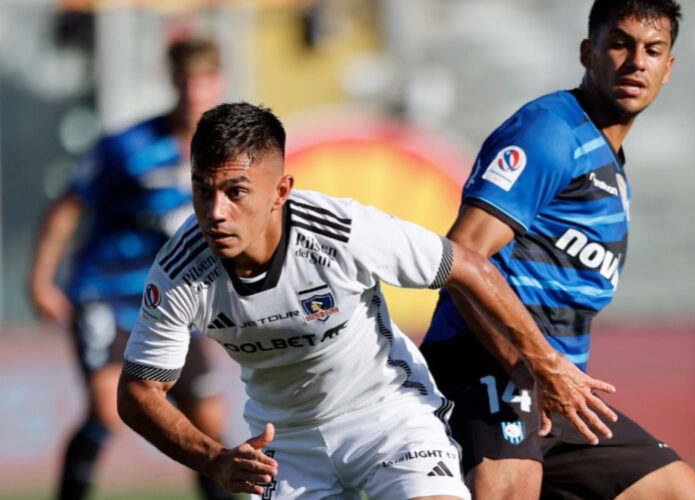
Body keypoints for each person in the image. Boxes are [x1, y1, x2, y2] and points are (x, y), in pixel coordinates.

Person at [116, 102, 619, 500]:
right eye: (203, 190)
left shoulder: (342, 232)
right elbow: (139, 393)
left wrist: (543, 363)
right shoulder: (181, 270)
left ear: (281, 191)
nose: (215, 213)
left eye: (235, 191)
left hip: (388, 417)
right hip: (285, 445)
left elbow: (470, 266)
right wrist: (214, 460)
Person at [419, 1, 695, 499]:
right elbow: (462, 254)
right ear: (589, 52)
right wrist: (534, 367)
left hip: (560, 388)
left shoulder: (609, 159)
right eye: (620, 44)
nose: (635, 62)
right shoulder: (551, 131)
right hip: (486, 366)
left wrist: (550, 375)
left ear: (668, 69)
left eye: (652, 50)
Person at [28, 37, 233, 500]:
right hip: (106, 292)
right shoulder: (127, 146)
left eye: (204, 81)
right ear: (172, 83)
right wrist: (40, 279)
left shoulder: (222, 155)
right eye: (186, 81)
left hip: (176, 301)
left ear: (219, 84)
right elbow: (67, 207)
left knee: (210, 425)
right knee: (107, 410)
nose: (195, 92)